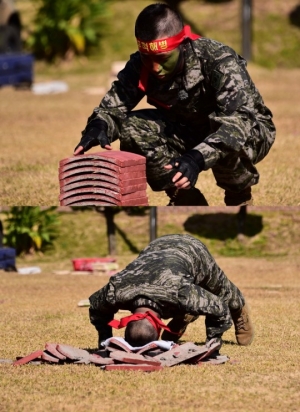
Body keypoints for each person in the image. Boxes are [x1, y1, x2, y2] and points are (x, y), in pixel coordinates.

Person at [74, 3, 276, 206]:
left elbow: (238, 123)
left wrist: (196, 158)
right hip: (189, 128)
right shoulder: (140, 65)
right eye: (147, 58)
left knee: (228, 136)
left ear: (182, 45)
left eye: (162, 58)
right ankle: (184, 197)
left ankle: (239, 198)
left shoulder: (219, 60)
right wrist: (98, 125)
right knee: (132, 128)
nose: (155, 68)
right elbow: (112, 108)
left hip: (249, 131)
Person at [89, 234, 254, 348]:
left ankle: (240, 310)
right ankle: (186, 314)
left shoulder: (179, 292)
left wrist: (213, 342)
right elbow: (96, 307)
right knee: (192, 300)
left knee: (224, 293)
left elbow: (219, 308)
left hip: (191, 251)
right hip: (154, 249)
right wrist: (105, 340)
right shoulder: (116, 291)